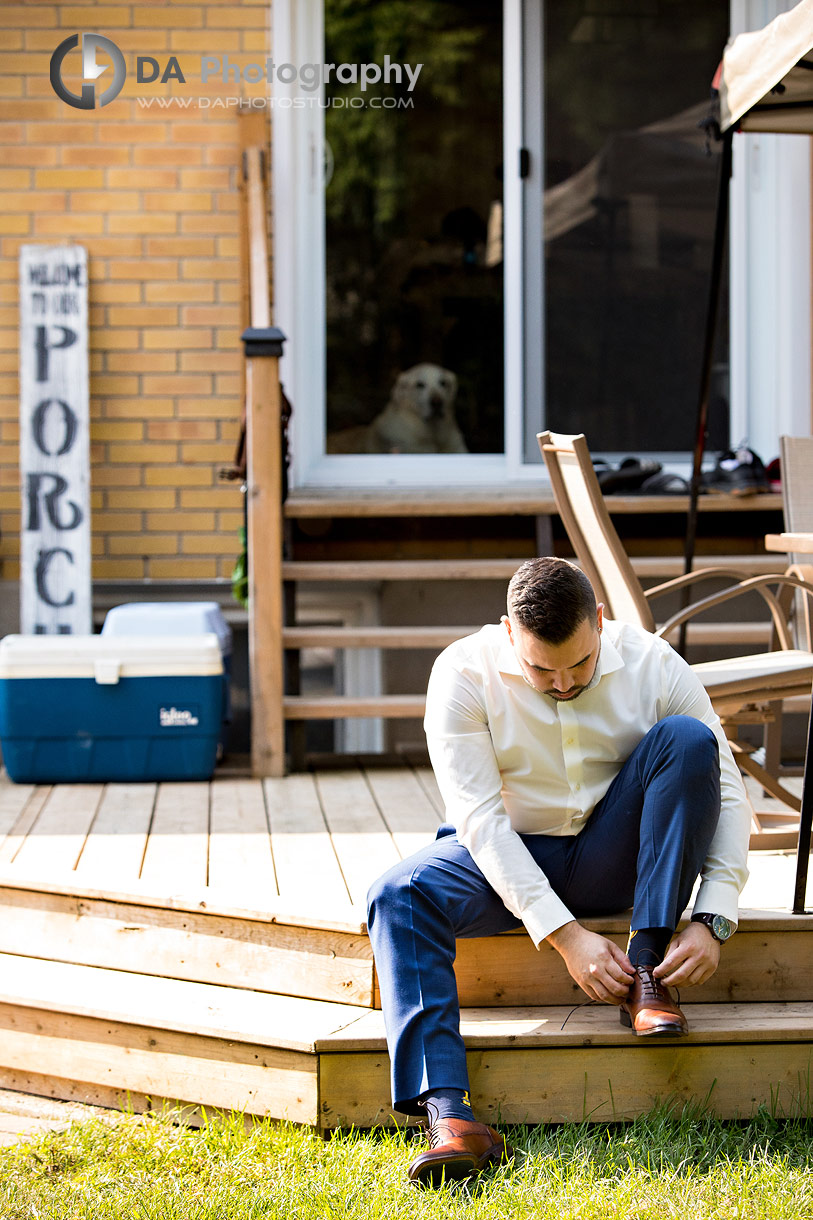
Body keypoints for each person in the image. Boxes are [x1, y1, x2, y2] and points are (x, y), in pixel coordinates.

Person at [367, 557, 751, 1187]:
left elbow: (725, 789)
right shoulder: (460, 674)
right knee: (397, 894)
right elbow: (482, 824)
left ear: (599, 622)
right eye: (542, 668)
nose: (564, 682)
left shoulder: (654, 662)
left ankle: (647, 976)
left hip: (617, 850)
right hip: (510, 854)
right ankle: (449, 1114)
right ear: (508, 632)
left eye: (580, 663)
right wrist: (564, 936)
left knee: (687, 740)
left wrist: (714, 915)